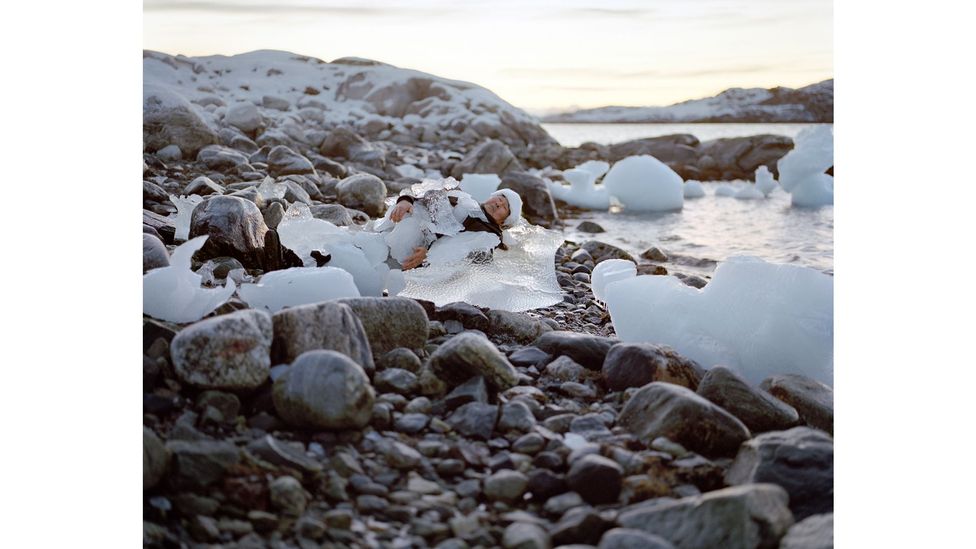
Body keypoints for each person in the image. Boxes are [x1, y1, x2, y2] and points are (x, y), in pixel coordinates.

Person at [390, 188, 523, 269]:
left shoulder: (489, 235)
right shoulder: (465, 202)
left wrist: (429, 256)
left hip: (422, 264)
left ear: (504, 221)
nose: (498, 204)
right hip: (404, 238)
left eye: (504, 207)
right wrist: (405, 201)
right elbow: (427, 200)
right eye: (499, 198)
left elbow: (463, 259)